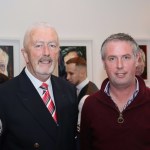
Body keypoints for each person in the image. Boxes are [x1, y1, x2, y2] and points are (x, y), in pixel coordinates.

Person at [0, 22, 78, 150]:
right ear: (25, 55)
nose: (46, 52)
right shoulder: (4, 95)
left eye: (52, 45)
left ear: (58, 53)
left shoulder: (69, 90)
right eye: (38, 45)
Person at [80, 33, 150, 150]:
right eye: (112, 58)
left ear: (137, 60)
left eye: (126, 57)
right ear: (104, 63)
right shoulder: (90, 105)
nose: (119, 65)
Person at [66, 57, 98, 129]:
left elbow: (81, 130)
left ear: (82, 73)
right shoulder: (92, 85)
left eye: (71, 73)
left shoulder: (86, 98)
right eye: (67, 73)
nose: (67, 77)